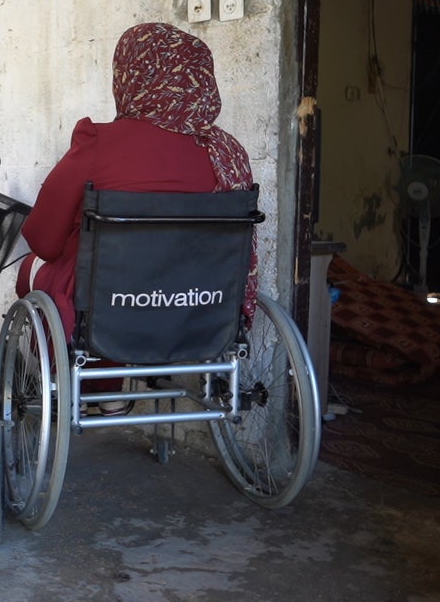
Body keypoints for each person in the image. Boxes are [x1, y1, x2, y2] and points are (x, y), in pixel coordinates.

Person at [15, 22, 258, 413]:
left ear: (130, 74)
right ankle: (110, 391)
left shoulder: (100, 142)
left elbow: (43, 239)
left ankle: (97, 384)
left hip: (117, 303)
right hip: (199, 305)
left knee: (42, 270)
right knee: (114, 283)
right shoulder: (226, 154)